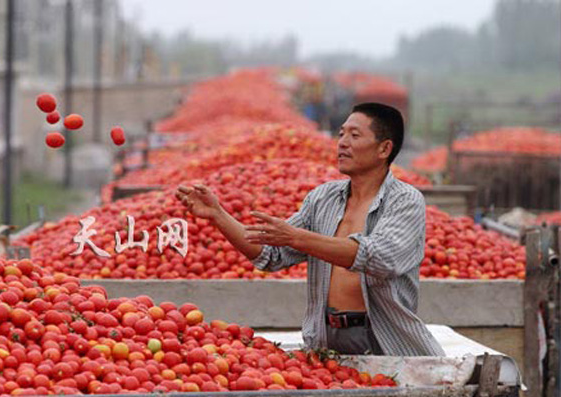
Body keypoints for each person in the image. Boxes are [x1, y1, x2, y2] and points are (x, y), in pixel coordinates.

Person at [176, 102, 444, 356]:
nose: (342, 143)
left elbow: (381, 258)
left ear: (384, 149)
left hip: (386, 340)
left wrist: (297, 238)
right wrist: (218, 215)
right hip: (327, 339)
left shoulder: (405, 200)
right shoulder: (323, 198)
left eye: (354, 135)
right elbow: (270, 254)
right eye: (341, 134)